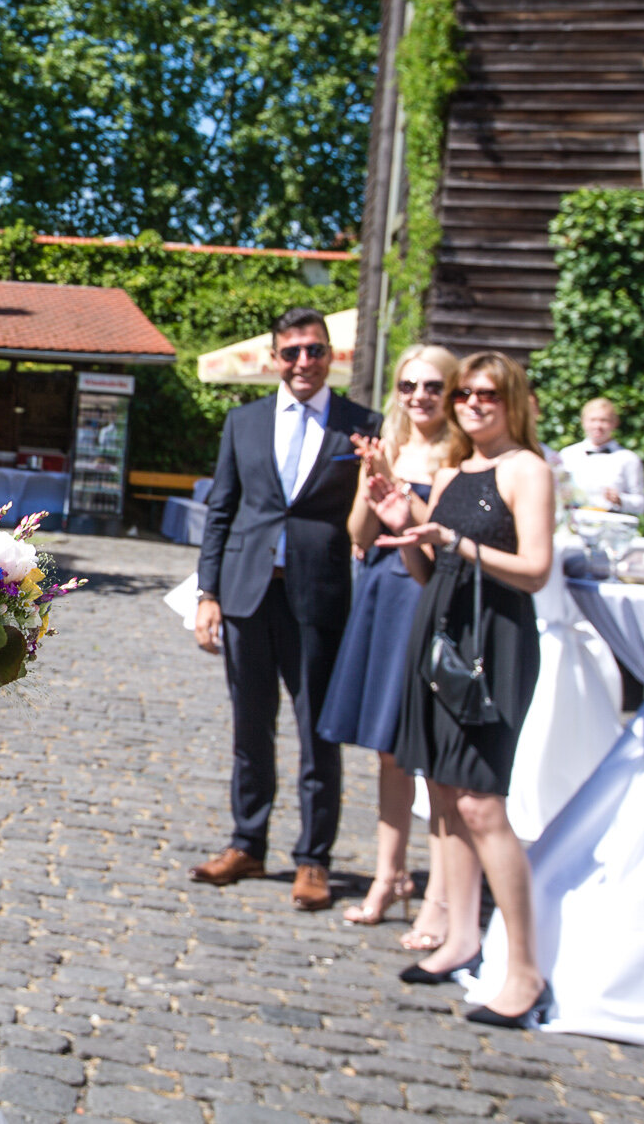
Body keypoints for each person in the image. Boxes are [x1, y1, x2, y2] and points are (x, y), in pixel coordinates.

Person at [370, 350, 556, 1029]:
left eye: (489, 394)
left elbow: (535, 569)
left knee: (481, 802)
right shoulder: (451, 471)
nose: (474, 404)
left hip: (494, 642)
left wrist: (453, 537)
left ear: (513, 402)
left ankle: (524, 968)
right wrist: (405, 525)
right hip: (441, 633)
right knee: (444, 792)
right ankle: (459, 938)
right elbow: (426, 569)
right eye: (464, 395)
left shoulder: (525, 470)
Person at [191, 307, 382, 910]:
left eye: (316, 351)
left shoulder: (361, 425)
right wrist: (208, 593)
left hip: (319, 596)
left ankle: (313, 859)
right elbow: (222, 511)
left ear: (332, 357)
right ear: (275, 358)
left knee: (316, 732)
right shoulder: (243, 423)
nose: (304, 362)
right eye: (293, 351)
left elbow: (371, 513)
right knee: (251, 728)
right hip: (247, 594)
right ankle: (247, 843)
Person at [319, 345, 460, 946]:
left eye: (431, 386)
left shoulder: (461, 451)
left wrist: (406, 499)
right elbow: (357, 534)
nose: (418, 396)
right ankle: (388, 874)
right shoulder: (388, 444)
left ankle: (441, 894)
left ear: (451, 390)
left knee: (427, 752)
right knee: (386, 749)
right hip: (380, 589)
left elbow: (446, 541)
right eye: (407, 386)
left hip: (427, 595)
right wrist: (372, 483)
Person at [559, 397, 644, 516]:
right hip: (574, 522)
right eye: (592, 420)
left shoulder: (628, 459)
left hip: (612, 526)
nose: (597, 425)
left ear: (615, 423)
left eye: (604, 420)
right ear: (583, 422)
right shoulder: (567, 454)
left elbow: (641, 504)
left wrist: (620, 499)